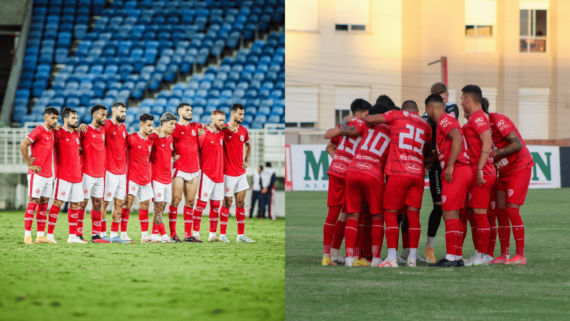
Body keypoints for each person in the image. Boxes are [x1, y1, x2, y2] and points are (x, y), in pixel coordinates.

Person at [364, 100, 432, 268]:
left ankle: (392, 258)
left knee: (390, 213)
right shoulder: (426, 125)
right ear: (416, 111)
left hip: (398, 170)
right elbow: (427, 148)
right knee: (413, 215)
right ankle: (412, 258)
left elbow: (369, 120)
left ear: (404, 109)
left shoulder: (396, 115)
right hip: (417, 173)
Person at [337, 104, 391, 267]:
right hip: (373, 172)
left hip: (353, 169)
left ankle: (349, 259)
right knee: (377, 217)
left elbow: (344, 128)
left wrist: (345, 123)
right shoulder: (393, 130)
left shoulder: (366, 124)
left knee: (352, 215)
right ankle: (375, 259)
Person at [320, 99, 371, 266]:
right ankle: (355, 257)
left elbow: (328, 143)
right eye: (367, 113)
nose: (369, 117)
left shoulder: (345, 127)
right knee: (353, 214)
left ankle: (329, 254)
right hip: (350, 174)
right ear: (359, 114)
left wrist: (339, 160)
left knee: (337, 214)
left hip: (336, 171)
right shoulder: (364, 128)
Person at [424, 94, 471, 267]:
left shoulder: (444, 120)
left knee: (448, 213)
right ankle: (457, 256)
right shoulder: (446, 121)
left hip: (457, 169)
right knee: (455, 215)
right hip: (462, 170)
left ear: (430, 108)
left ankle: (451, 257)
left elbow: (457, 138)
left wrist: (450, 165)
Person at [487, 105, 533, 265]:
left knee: (512, 210)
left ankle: (520, 255)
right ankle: (504, 254)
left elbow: (517, 144)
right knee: (500, 210)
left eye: (466, 112)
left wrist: (493, 154)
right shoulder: (476, 127)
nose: (465, 115)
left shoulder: (497, 120)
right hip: (503, 171)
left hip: (519, 167)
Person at [422, 82, 460, 263]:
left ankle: (455, 252)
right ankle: (429, 247)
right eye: (441, 97)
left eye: (446, 96)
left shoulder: (451, 110)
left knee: (454, 209)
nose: (446, 100)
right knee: (439, 206)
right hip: (437, 164)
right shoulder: (427, 115)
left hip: (450, 162)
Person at [460, 85, 497, 266]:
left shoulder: (479, 117)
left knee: (480, 214)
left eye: (462, 99)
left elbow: (487, 141)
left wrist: (481, 168)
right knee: (476, 214)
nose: (460, 102)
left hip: (481, 173)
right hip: (475, 172)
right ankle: (479, 253)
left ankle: (482, 256)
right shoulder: (475, 118)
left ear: (468, 99)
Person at [20, 107, 59, 244]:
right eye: (52, 118)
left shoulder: (53, 131)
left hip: (49, 174)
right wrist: (29, 164)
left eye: (56, 118)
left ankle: (40, 236)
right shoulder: (38, 130)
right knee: (33, 202)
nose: (55, 120)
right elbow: (23, 145)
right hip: (37, 174)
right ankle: (27, 235)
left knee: (43, 205)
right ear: (45, 117)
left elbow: (63, 128)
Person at [168, 103, 204, 243]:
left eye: (191, 110)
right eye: (187, 110)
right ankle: (172, 234)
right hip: (179, 168)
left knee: (190, 202)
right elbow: (162, 137)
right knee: (176, 200)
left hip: (193, 169)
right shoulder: (173, 127)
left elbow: (211, 126)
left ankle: (188, 235)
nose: (190, 112)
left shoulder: (196, 126)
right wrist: (171, 154)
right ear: (179, 111)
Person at [50, 108, 87, 244]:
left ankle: (72, 237)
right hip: (63, 175)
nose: (76, 121)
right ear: (65, 119)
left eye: (77, 118)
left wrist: (83, 126)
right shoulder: (57, 132)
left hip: (77, 176)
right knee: (58, 203)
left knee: (76, 204)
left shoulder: (78, 134)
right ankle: (49, 235)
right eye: (73, 118)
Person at [220, 104, 256, 243]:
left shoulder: (243, 130)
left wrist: (246, 160)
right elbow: (211, 127)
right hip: (227, 173)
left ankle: (241, 235)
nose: (242, 116)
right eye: (240, 114)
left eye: (243, 114)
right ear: (232, 114)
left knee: (241, 203)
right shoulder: (224, 128)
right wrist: (227, 127)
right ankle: (223, 234)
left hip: (240, 173)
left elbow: (248, 145)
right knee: (227, 204)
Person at [78, 105, 110, 243]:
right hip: (86, 172)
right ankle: (77, 233)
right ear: (94, 115)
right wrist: (79, 127)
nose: (105, 117)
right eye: (102, 115)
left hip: (100, 173)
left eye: (106, 115)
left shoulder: (104, 130)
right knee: (83, 203)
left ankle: (96, 235)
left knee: (98, 203)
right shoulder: (84, 130)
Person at [193, 110, 226, 242]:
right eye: (219, 120)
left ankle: (212, 235)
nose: (222, 123)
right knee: (201, 204)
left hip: (219, 175)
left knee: (216, 205)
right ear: (212, 120)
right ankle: (195, 233)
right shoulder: (203, 134)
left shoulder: (223, 134)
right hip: (206, 173)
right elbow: (194, 151)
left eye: (223, 120)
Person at [122, 113, 155, 243]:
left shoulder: (151, 140)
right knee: (127, 205)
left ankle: (144, 235)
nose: (151, 128)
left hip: (146, 178)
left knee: (145, 206)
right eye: (148, 125)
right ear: (141, 125)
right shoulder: (131, 138)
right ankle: (123, 234)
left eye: (152, 125)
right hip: (132, 177)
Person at [100, 102, 128, 242]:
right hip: (109, 170)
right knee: (105, 203)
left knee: (119, 203)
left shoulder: (123, 127)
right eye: (121, 111)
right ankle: (102, 233)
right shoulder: (104, 125)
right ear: (113, 111)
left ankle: (114, 234)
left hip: (122, 172)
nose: (124, 114)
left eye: (125, 112)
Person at [149, 112, 178, 243]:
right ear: (164, 124)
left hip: (167, 178)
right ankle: (164, 235)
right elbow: (146, 130)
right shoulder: (154, 136)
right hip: (156, 177)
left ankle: (155, 235)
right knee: (158, 208)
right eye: (171, 124)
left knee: (163, 207)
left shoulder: (171, 137)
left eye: (174, 124)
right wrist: (155, 129)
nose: (173, 126)